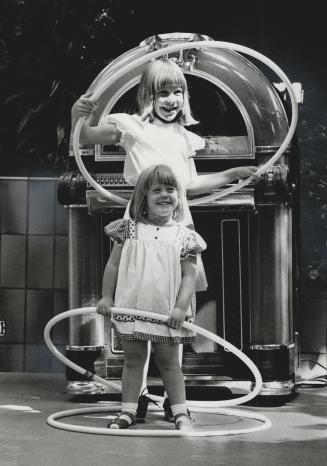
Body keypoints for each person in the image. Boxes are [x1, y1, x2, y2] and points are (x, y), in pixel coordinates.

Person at [71, 57, 258, 420]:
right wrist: (78, 115)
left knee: (172, 310)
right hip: (140, 231)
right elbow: (87, 137)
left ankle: (177, 403)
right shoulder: (133, 129)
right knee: (138, 309)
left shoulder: (183, 137)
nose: (171, 99)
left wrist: (232, 172)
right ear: (147, 95)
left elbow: (188, 185)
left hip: (175, 230)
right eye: (163, 92)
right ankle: (135, 399)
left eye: (177, 91)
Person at [96, 164, 207, 431]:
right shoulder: (129, 230)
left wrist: (181, 308)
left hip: (165, 310)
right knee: (133, 359)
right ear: (143, 196)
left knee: (169, 362)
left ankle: (180, 413)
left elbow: (190, 276)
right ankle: (128, 411)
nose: (164, 195)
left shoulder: (183, 236)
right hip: (132, 306)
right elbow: (113, 265)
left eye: (170, 189)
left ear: (179, 196)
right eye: (156, 190)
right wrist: (106, 297)